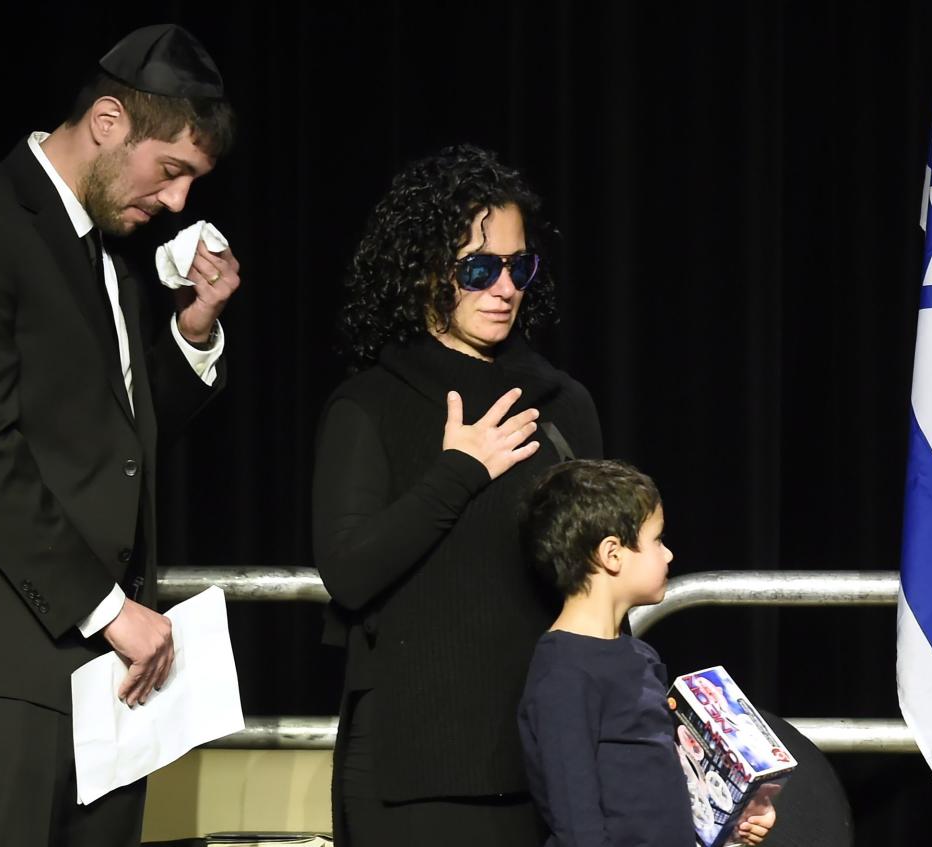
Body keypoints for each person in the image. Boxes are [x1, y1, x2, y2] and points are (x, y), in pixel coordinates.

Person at [0, 23, 240, 847]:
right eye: (169, 171)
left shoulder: (106, 259)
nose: (176, 203)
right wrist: (110, 610)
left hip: (102, 674)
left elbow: (117, 442)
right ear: (107, 121)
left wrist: (193, 331)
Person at [312, 144, 603, 846]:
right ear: (422, 273)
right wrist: (459, 470)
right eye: (477, 268)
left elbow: (594, 584)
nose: (503, 287)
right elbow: (349, 571)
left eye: (518, 265)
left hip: (542, 765)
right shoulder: (371, 405)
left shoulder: (562, 404)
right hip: (415, 779)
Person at [516, 459, 777, 846]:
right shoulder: (565, 675)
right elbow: (578, 826)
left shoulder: (639, 656)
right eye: (657, 540)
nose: (669, 554)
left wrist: (737, 820)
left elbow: (672, 791)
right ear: (612, 554)